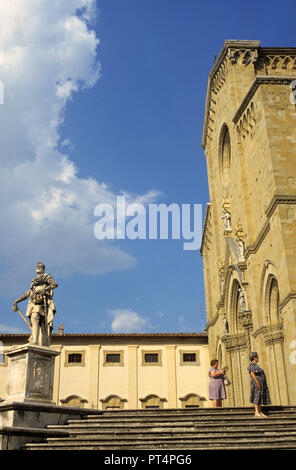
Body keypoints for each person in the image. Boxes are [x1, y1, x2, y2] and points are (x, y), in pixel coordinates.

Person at [12, 261, 58, 347]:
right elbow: (26, 294)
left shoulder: (46, 277)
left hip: (42, 304)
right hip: (33, 304)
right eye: (37, 267)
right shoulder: (33, 283)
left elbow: (55, 284)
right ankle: (36, 339)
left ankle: (36, 341)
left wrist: (45, 289)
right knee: (34, 321)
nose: (38, 268)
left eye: (40, 267)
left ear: (43, 269)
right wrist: (16, 301)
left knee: (36, 318)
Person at [247, 352, 271, 417]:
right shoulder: (252, 364)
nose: (258, 358)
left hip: (259, 383)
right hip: (256, 384)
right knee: (256, 396)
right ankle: (257, 411)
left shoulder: (256, 365)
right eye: (257, 357)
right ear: (254, 358)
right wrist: (257, 382)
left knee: (259, 396)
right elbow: (252, 373)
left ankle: (260, 411)